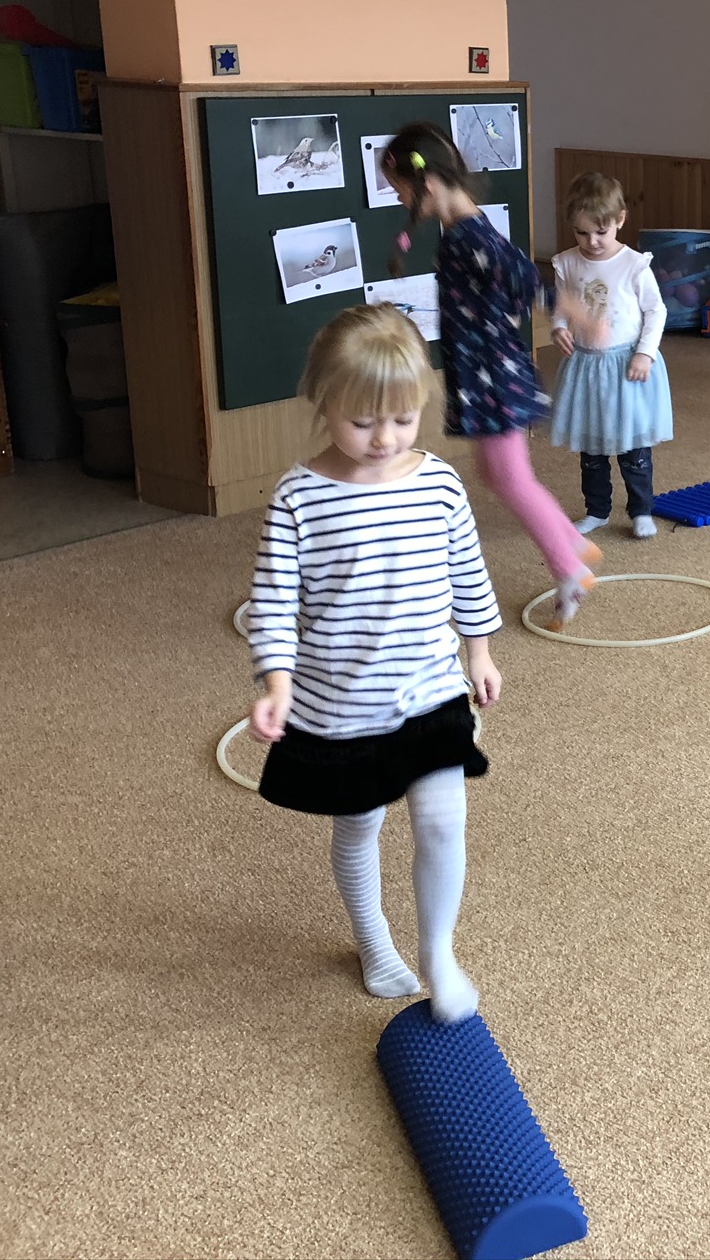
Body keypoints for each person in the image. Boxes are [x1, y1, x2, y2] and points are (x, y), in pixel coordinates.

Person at [246, 305, 501, 1025]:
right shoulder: (299, 497)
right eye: (363, 422)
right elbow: (272, 600)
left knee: (443, 822)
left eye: (402, 419)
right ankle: (372, 938)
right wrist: (276, 682)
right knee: (358, 825)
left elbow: (468, 573)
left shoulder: (439, 485)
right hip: (341, 704)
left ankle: (438, 950)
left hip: (429, 691)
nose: (384, 439)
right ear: (323, 403)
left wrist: (479, 650)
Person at [381, 123, 599, 631]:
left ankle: (570, 569)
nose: (400, 201)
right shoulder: (463, 232)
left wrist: (580, 315)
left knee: (511, 478)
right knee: (496, 474)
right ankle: (571, 543)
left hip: (493, 378)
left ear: (427, 184)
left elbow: (525, 278)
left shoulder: (468, 236)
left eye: (400, 190)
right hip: (483, 375)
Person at [550, 172, 674, 531]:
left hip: (626, 366)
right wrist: (559, 328)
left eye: (601, 232)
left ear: (620, 220)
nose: (591, 241)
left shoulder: (634, 264)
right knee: (592, 449)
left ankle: (641, 511)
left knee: (633, 448)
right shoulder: (566, 263)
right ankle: (597, 510)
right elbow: (563, 306)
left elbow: (656, 311)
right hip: (586, 366)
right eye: (581, 232)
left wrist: (645, 353)